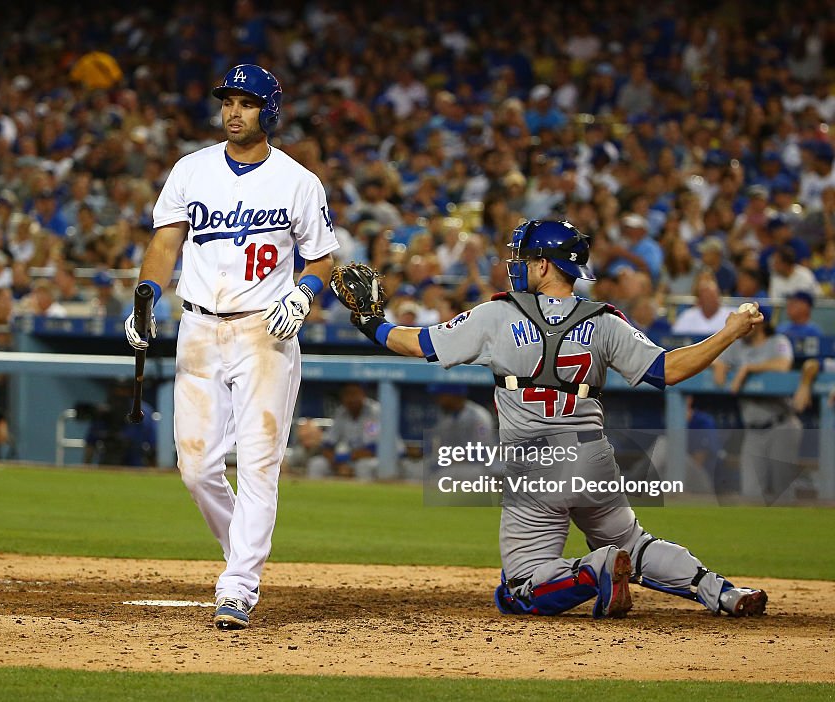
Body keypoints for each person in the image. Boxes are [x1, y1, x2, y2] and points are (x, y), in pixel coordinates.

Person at [347, 219, 767, 618]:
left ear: (544, 265)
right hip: (593, 459)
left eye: (524, 257)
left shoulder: (498, 314)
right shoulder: (604, 320)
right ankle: (723, 592)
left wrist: (370, 322)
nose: (517, 265)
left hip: (535, 465)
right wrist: (729, 332)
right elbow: (669, 369)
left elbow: (415, 343)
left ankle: (595, 570)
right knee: (634, 544)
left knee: (519, 587)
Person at [123, 64, 338, 631]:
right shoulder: (191, 171)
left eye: (246, 102)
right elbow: (165, 241)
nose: (234, 111)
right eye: (228, 101)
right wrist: (146, 293)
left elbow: (322, 257)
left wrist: (305, 293)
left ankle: (239, 586)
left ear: (269, 111)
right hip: (198, 327)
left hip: (265, 331)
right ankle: (238, 555)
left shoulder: (298, 181)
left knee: (260, 465)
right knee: (195, 468)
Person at [713, 307, 802, 504]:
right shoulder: (737, 346)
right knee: (751, 494)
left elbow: (782, 366)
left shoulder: (778, 342)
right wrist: (720, 364)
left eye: (749, 321)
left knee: (783, 494)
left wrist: (748, 369)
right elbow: (717, 366)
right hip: (753, 431)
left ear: (760, 324)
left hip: (781, 425)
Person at [307, 383, 382, 480]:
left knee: (363, 466)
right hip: (347, 458)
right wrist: (337, 461)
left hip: (376, 458)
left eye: (354, 394)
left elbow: (372, 450)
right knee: (317, 464)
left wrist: (344, 459)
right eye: (347, 394)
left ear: (363, 394)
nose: (351, 398)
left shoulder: (373, 412)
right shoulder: (341, 412)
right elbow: (328, 445)